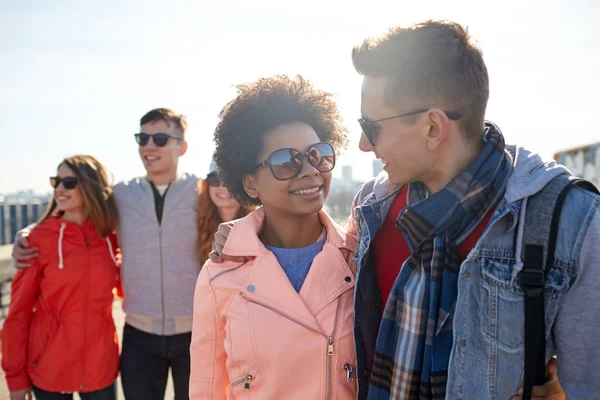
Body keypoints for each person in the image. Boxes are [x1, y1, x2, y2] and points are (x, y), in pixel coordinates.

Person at [346, 20, 599, 399]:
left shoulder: (571, 220)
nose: (364, 144)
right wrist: (248, 231)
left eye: (372, 126)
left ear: (434, 127)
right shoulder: (373, 208)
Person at [12, 108, 201, 400]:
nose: (149, 146)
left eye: (160, 138)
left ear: (182, 146)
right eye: (143, 137)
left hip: (196, 333)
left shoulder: (201, 193)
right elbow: (78, 210)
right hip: (139, 335)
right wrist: (25, 233)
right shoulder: (122, 196)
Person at [190, 75, 358, 399]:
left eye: (317, 154)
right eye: (287, 161)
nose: (310, 170)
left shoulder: (358, 257)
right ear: (250, 183)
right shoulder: (219, 275)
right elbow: (207, 389)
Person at [2, 155, 120, 400]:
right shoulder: (37, 240)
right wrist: (15, 378)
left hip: (101, 366)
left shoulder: (111, 237)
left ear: (90, 186)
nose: (60, 189)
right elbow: (18, 314)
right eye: (56, 181)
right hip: (48, 366)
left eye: (69, 182)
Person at [197, 161, 252, 265]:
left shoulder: (260, 225)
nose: (222, 186)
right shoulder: (198, 223)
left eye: (230, 180)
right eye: (215, 179)